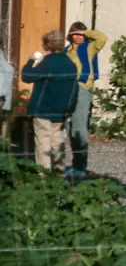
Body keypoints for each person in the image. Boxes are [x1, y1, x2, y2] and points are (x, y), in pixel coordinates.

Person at [21, 30, 78, 171]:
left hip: (43, 110)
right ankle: (59, 172)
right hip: (61, 110)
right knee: (57, 142)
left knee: (43, 143)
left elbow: (27, 77)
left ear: (47, 45)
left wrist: (31, 61)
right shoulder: (71, 64)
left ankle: (44, 176)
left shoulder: (47, 63)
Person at [64, 22, 106, 177]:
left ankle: (81, 167)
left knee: (79, 128)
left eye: (80, 34)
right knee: (69, 129)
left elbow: (102, 38)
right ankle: (76, 164)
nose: (78, 37)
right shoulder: (66, 51)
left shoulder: (88, 47)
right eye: (75, 34)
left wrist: (87, 32)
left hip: (82, 88)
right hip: (67, 90)